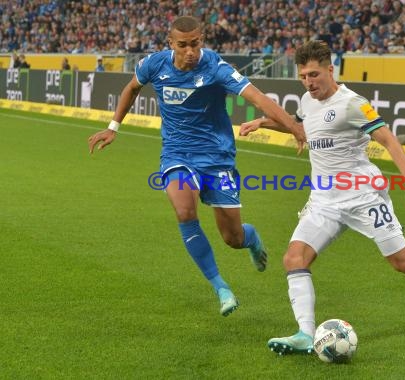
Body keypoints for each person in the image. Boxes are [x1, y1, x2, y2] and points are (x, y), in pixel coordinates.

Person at [239, 40, 405, 355]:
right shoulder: (307, 100)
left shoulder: (353, 104)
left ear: (331, 70)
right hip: (324, 200)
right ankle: (305, 334)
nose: (308, 82)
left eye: (314, 74)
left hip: (364, 196)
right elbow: (300, 126)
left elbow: (389, 141)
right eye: (303, 76)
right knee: (294, 259)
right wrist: (262, 122)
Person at [88, 16, 305, 317]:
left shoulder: (217, 68)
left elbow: (258, 99)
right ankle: (221, 288)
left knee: (232, 238)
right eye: (182, 45)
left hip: (217, 158)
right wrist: (113, 127)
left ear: (202, 40)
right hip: (177, 153)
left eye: (195, 44)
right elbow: (131, 88)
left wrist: (294, 126)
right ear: (171, 43)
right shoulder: (155, 65)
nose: (189, 51)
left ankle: (250, 238)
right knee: (184, 210)